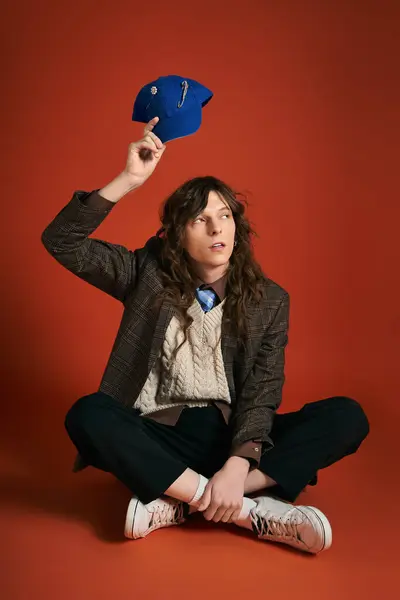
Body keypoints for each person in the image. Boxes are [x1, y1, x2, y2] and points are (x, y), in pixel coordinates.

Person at [41, 117, 370, 554]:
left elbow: (262, 391)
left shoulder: (269, 300)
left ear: (237, 226)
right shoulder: (145, 273)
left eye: (224, 216)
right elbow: (61, 241)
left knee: (346, 416)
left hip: (230, 437)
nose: (217, 229)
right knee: (88, 415)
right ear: (177, 235)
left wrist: (238, 463)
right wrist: (128, 180)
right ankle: (247, 511)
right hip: (159, 436)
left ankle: (180, 500)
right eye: (200, 219)